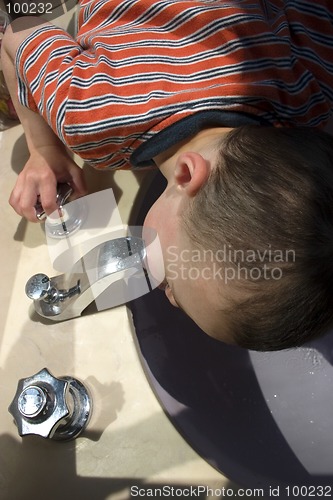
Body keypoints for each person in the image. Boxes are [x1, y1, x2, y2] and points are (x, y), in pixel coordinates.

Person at [2, 0, 333, 351]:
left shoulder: (312, 89)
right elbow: (17, 31)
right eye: (175, 280)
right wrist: (46, 150)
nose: (171, 297)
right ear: (187, 174)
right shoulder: (90, 116)